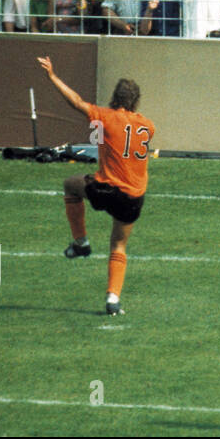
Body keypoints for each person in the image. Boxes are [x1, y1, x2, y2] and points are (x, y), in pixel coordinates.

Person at [37, 56, 154, 317]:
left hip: (108, 189)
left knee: (71, 184)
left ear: (115, 97)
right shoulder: (148, 125)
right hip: (134, 196)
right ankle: (113, 299)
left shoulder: (104, 117)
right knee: (118, 246)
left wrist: (53, 77)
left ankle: (81, 242)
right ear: (136, 101)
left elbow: (76, 102)